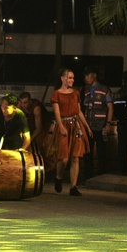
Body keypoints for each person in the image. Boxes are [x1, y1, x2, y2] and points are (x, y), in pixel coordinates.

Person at [51, 68, 92, 196]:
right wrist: (61, 126)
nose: (72, 80)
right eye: (69, 78)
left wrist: (87, 127)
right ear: (62, 78)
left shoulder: (75, 93)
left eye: (73, 78)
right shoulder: (56, 94)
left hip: (75, 126)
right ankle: (58, 176)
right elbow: (57, 112)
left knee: (76, 157)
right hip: (64, 125)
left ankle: (73, 186)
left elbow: (78, 111)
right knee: (64, 158)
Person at [81, 65, 114, 176]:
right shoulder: (85, 90)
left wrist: (108, 124)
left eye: (88, 75)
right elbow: (83, 107)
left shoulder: (104, 90)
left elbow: (110, 108)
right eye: (85, 75)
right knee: (87, 151)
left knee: (101, 151)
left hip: (100, 126)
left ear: (94, 76)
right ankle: (88, 174)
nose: (86, 78)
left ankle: (102, 174)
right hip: (88, 125)